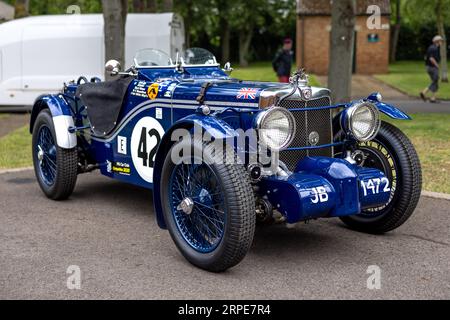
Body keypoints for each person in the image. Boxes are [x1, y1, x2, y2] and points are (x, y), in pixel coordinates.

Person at [420, 35, 444, 103]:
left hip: (428, 67)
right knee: (435, 81)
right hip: (432, 67)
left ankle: (433, 98)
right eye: (441, 41)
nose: (441, 42)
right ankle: (424, 92)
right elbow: (431, 58)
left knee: (435, 82)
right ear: (437, 41)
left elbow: (426, 57)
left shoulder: (431, 47)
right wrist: (437, 65)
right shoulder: (434, 48)